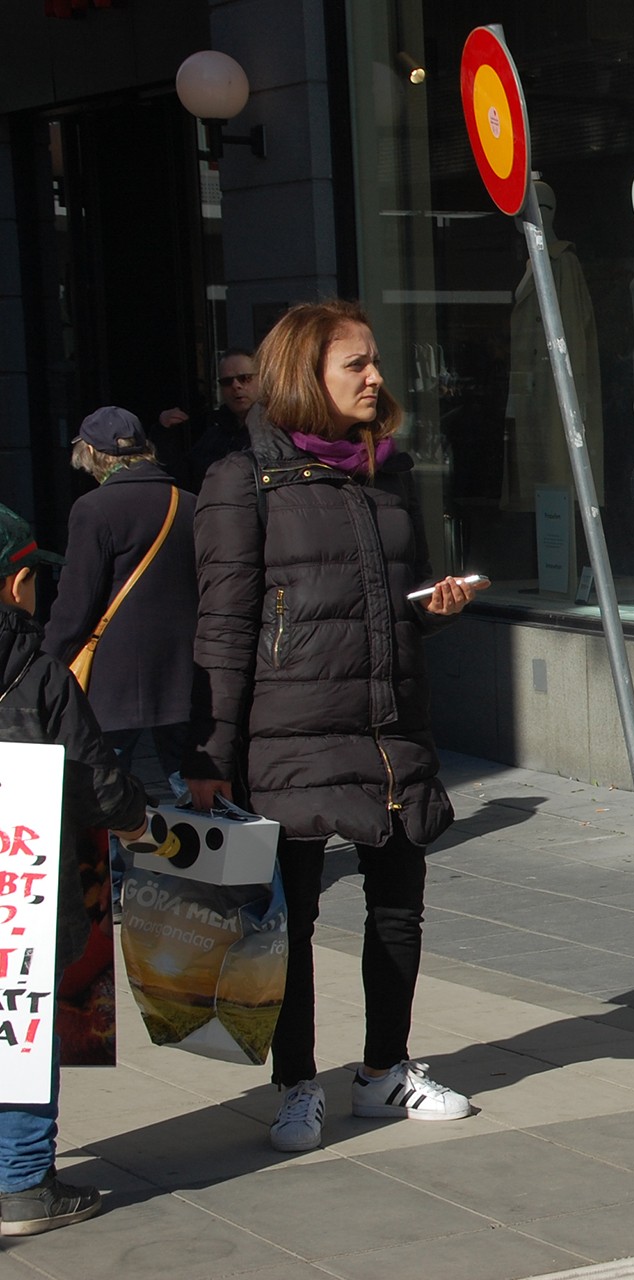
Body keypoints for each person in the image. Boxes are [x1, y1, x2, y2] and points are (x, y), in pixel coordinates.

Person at [183, 299, 486, 1153]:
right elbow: (222, 626)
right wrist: (209, 752)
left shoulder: (384, 474)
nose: (376, 377)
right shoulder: (241, 479)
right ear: (304, 376)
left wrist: (436, 607)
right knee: (296, 922)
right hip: (290, 736)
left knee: (399, 908)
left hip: (391, 729)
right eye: (356, 363)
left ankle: (384, 1072)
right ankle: (295, 1086)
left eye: (374, 361)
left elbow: (400, 598)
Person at [0, 504, 152, 1235]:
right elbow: (98, 784)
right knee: (19, 1021)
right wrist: (140, 825)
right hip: (21, 894)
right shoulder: (36, 674)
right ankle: (22, 1184)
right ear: (17, 585)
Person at [43, 408, 198, 907]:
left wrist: (47, 660)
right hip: (185, 670)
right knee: (189, 779)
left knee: (105, 784)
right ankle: (200, 880)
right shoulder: (189, 502)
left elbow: (76, 601)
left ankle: (107, 888)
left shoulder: (94, 509)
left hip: (113, 678)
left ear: (90, 453)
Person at [169, 351, 258, 493]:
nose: (236, 386)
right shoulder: (213, 436)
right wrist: (165, 432)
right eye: (227, 382)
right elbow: (182, 478)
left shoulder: (280, 430)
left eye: (245, 378)